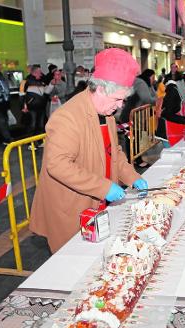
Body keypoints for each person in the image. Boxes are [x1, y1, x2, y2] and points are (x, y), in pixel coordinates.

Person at [29, 48, 148, 253]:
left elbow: (114, 153)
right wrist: (104, 187)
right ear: (100, 89)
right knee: (74, 263)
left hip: (95, 201)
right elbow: (58, 165)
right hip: (71, 205)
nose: (120, 107)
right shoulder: (67, 117)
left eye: (123, 100)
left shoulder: (106, 114)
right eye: (117, 100)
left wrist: (132, 177)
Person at [119, 69, 157, 167]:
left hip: (137, 116)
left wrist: (152, 86)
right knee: (132, 137)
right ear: (148, 76)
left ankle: (136, 159)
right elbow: (148, 99)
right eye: (153, 77)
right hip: (131, 115)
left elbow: (153, 96)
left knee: (137, 137)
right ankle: (134, 160)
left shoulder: (145, 83)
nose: (154, 79)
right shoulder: (140, 83)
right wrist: (157, 99)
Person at [22, 65, 51, 138]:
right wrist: (23, 106)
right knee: (32, 125)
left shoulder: (41, 81)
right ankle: (30, 142)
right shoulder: (25, 81)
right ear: (34, 73)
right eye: (39, 72)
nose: (41, 74)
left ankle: (40, 140)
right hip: (31, 107)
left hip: (41, 106)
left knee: (41, 125)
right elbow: (21, 95)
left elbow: (46, 92)